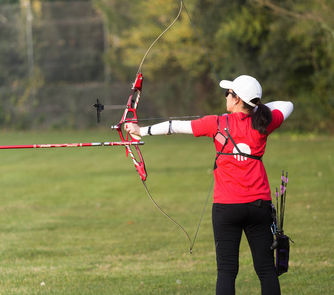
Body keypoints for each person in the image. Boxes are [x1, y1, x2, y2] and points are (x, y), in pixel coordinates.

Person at [125, 75, 293, 295]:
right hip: (259, 205)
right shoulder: (264, 122)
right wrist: (255, 108)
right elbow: (287, 105)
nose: (226, 96)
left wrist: (140, 131)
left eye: (229, 93)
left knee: (226, 271)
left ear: (237, 99)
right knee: (265, 270)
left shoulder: (217, 123)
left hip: (226, 207)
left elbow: (174, 127)